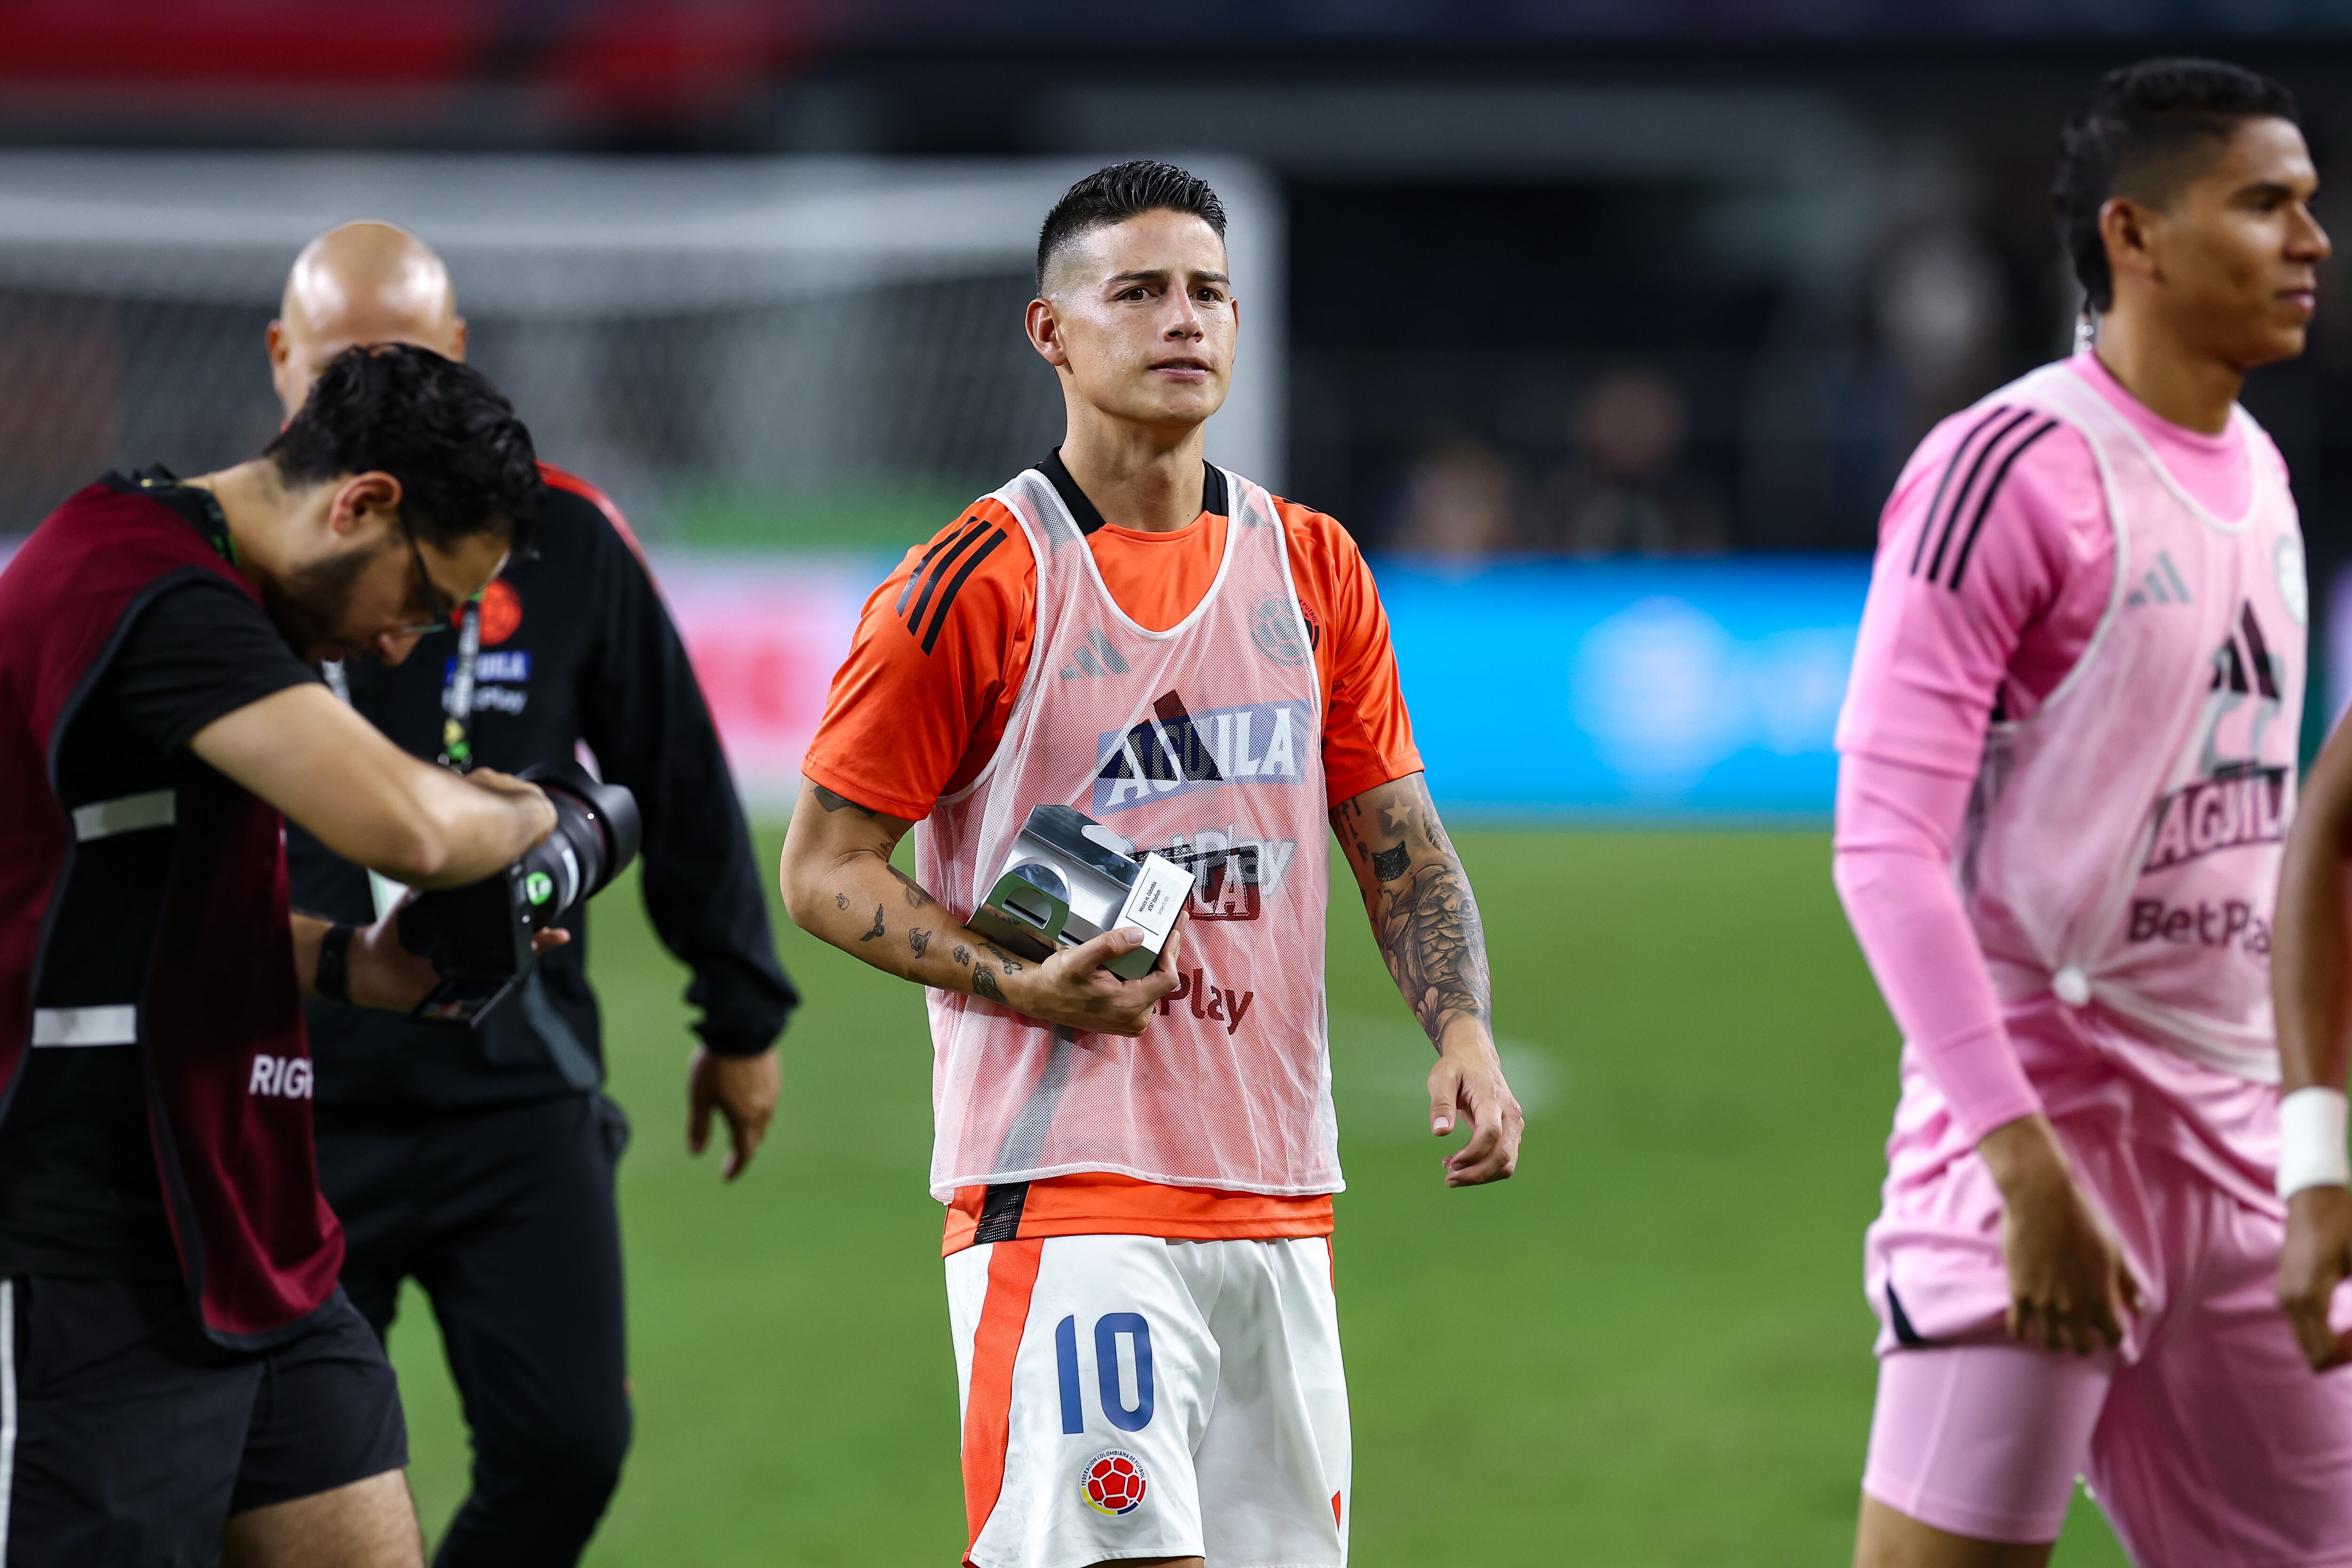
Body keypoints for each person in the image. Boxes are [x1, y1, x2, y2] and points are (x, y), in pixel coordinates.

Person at [779, 160, 1524, 1568]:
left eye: (1207, 293)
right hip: (1067, 1198)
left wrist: (1463, 1029)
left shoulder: (1314, 568)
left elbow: (1401, 840)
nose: (1184, 320)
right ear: (1050, 332)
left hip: (1278, 1193)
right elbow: (822, 868)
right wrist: (1020, 983)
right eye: (1139, 293)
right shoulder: (976, 584)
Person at [1832, 59, 2352, 1568]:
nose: (2313, 240)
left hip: (2244, 1171)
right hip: (2035, 1159)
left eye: (2314, 205)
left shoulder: (2264, 475)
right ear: (2136, 236)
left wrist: (2312, 1158)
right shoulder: (2005, 468)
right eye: (2266, 204)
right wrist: (2023, 1167)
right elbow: (1884, 849)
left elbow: (2284, 864)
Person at [270, 223, 799, 1568]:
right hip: (288, 1100)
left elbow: (672, 775)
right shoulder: (220, 568)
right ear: (282, 365)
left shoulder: (555, 536)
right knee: (280, 1487)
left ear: (453, 360)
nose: (360, 410)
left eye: (398, 367)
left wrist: (738, 1015)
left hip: (516, 1077)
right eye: (336, 371)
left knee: (569, 1453)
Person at [0, 342, 557, 1567]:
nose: (410, 645)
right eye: (423, 601)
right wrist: (540, 821)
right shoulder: (141, 586)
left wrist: (357, 966)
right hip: (83, 1247)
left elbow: (153, 907)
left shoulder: (218, 598)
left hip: (254, 1227)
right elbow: (417, 827)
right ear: (361, 503)